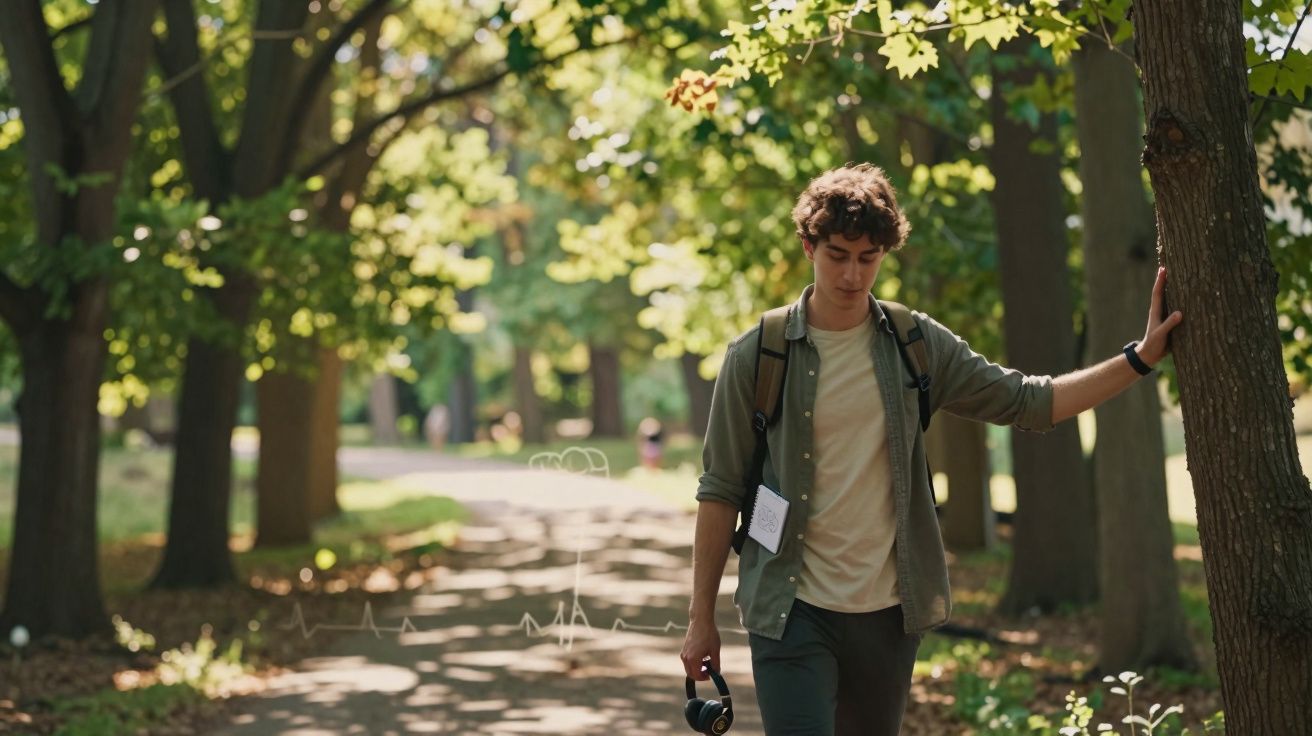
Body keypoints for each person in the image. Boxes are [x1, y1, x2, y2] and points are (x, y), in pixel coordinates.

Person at [678, 162, 1183, 735]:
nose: (852, 274)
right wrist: (701, 619)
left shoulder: (913, 344)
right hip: (789, 609)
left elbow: (1029, 400)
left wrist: (1140, 359)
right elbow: (719, 490)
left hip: (888, 615)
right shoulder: (759, 354)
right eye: (837, 255)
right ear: (808, 246)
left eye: (868, 258)